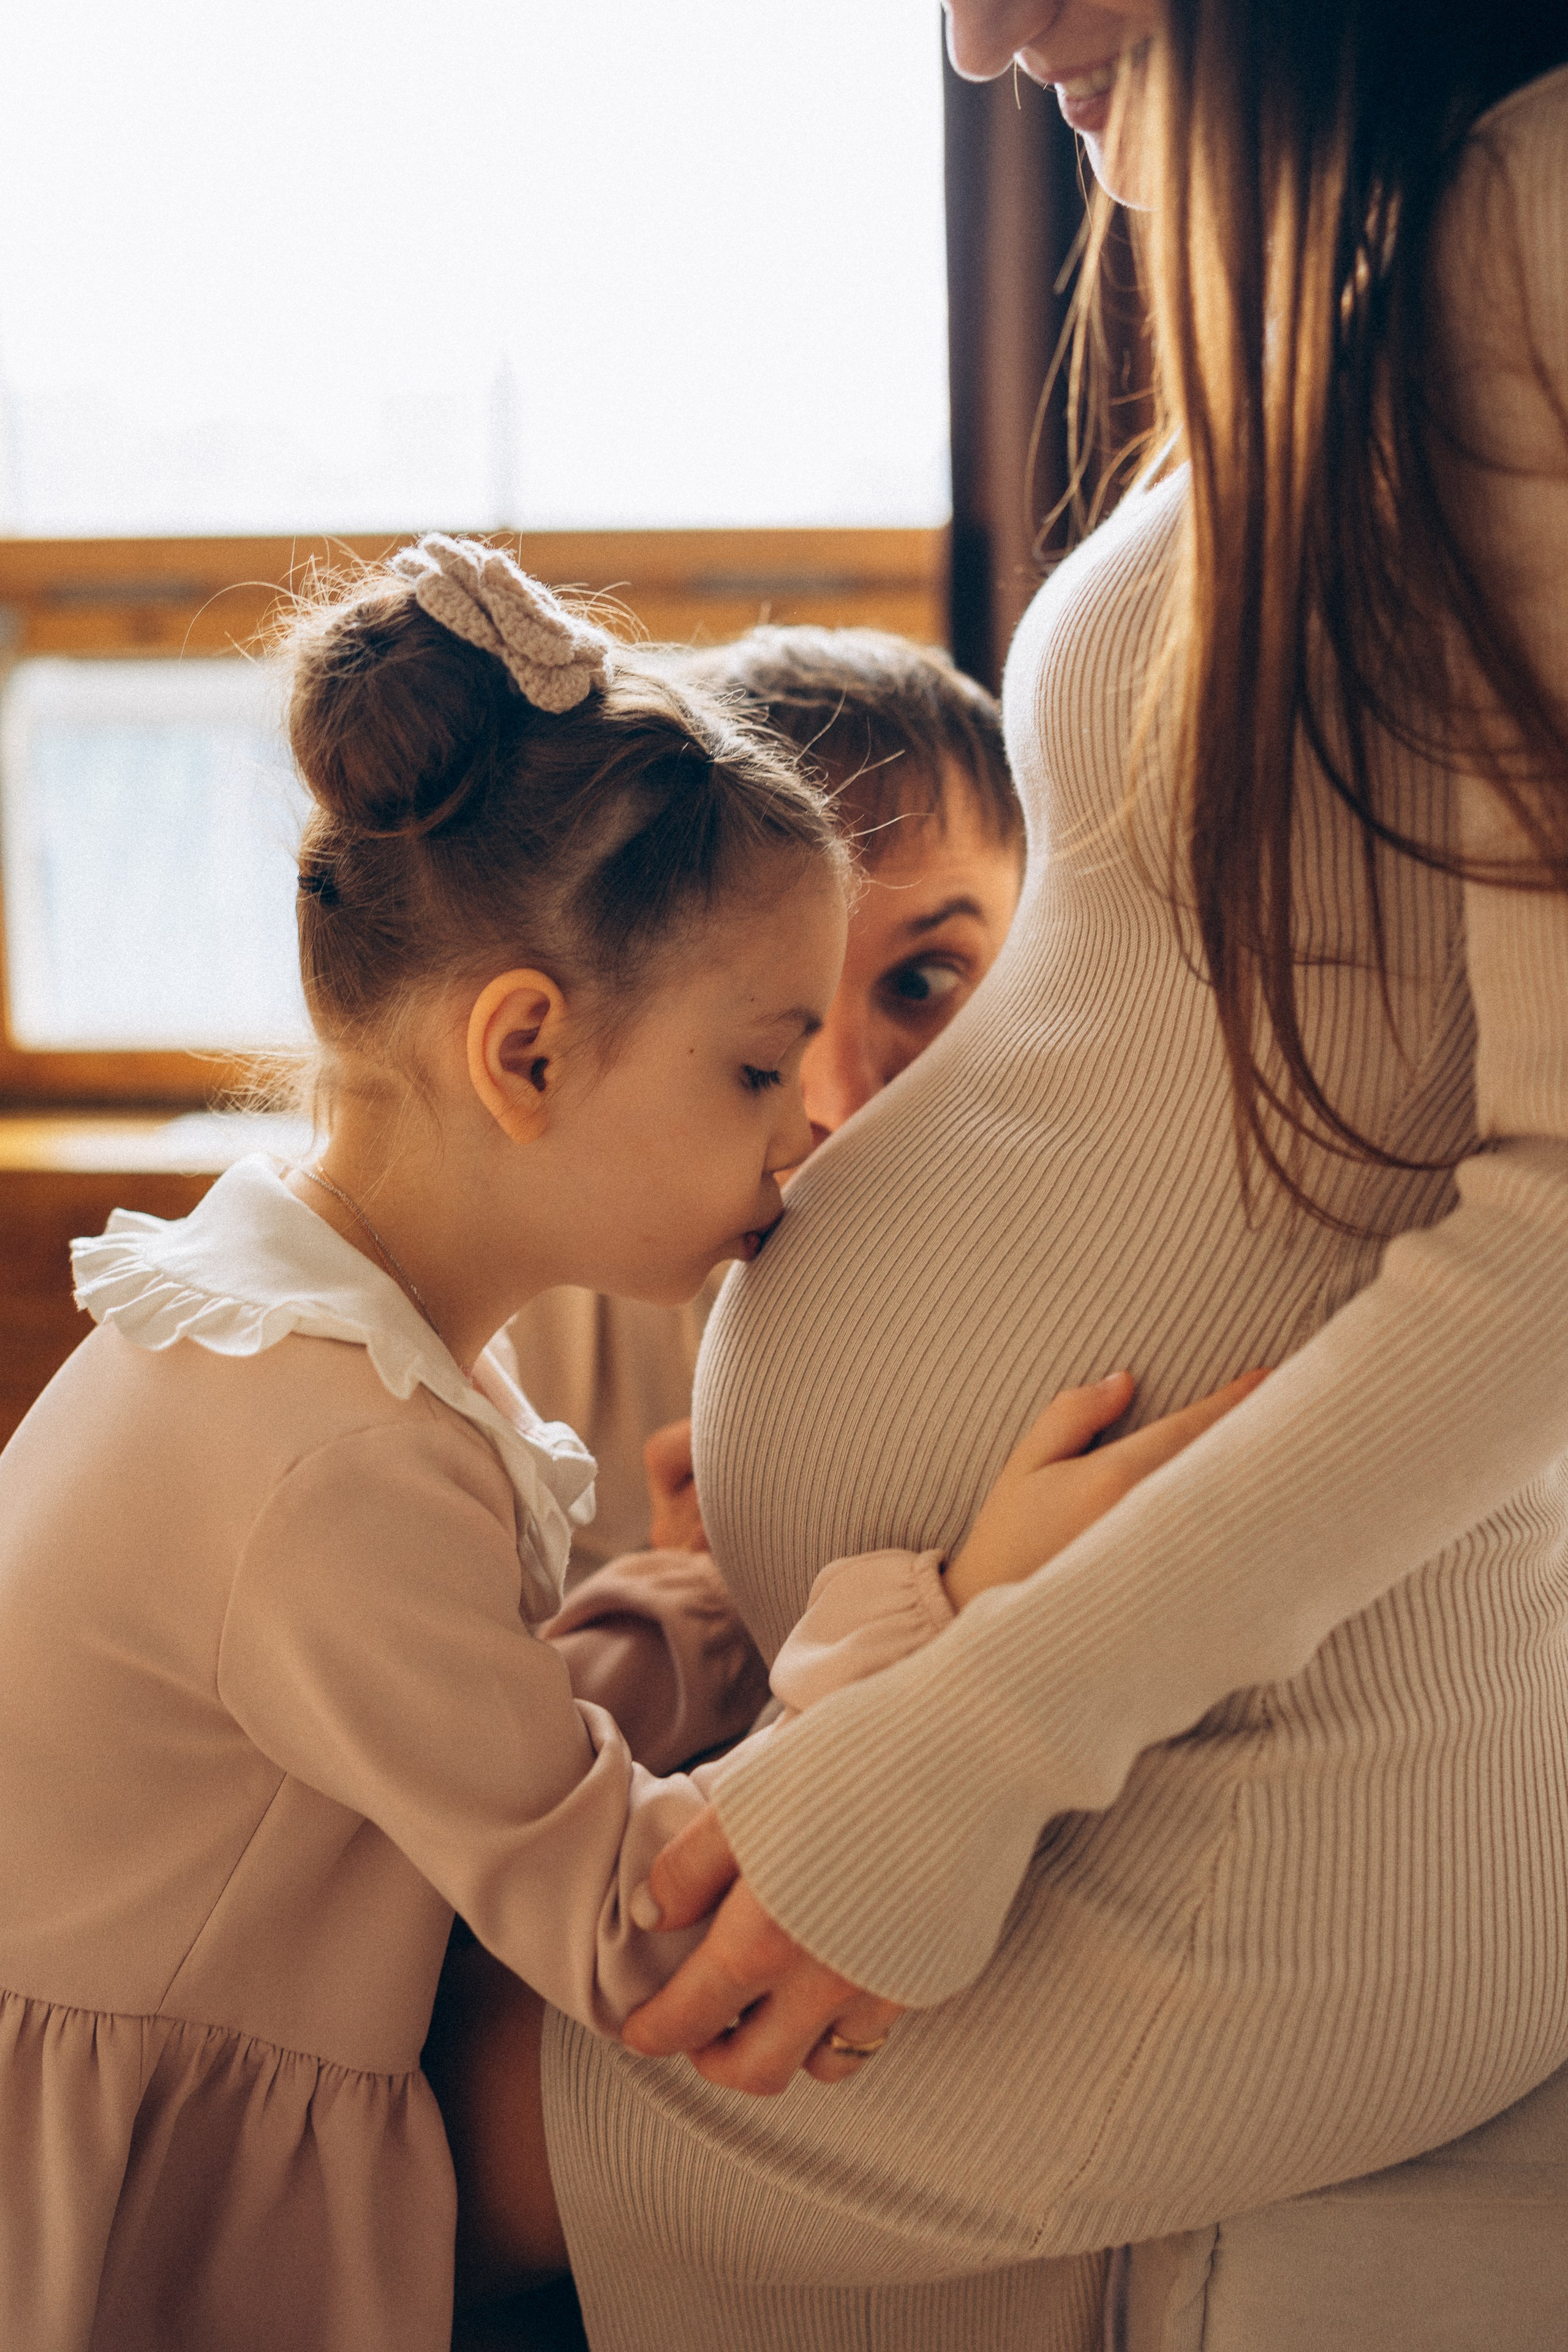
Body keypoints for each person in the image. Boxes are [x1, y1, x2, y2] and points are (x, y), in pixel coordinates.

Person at [490, 9, 1568, 2351]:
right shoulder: (1417, 263)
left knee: (337, 2113)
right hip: (1134, 1749)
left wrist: (962, 1755)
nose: (983, 36)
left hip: (1233, 1827)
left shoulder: (1541, 229)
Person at [0, 534, 1252, 2352]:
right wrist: (963, 1605)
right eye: (757, 1066)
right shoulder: (329, 1453)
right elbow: (647, 1944)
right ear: (527, 1054)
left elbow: (462, 1740)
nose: (806, 1120)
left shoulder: (317, 1325)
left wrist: (716, 1619)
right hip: (124, 2212)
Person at [499, 623, 1023, 1585]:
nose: (842, 1107)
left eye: (923, 984)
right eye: (770, 1033)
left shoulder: (1081, 1255)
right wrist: (708, 1600)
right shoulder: (534, 1296)